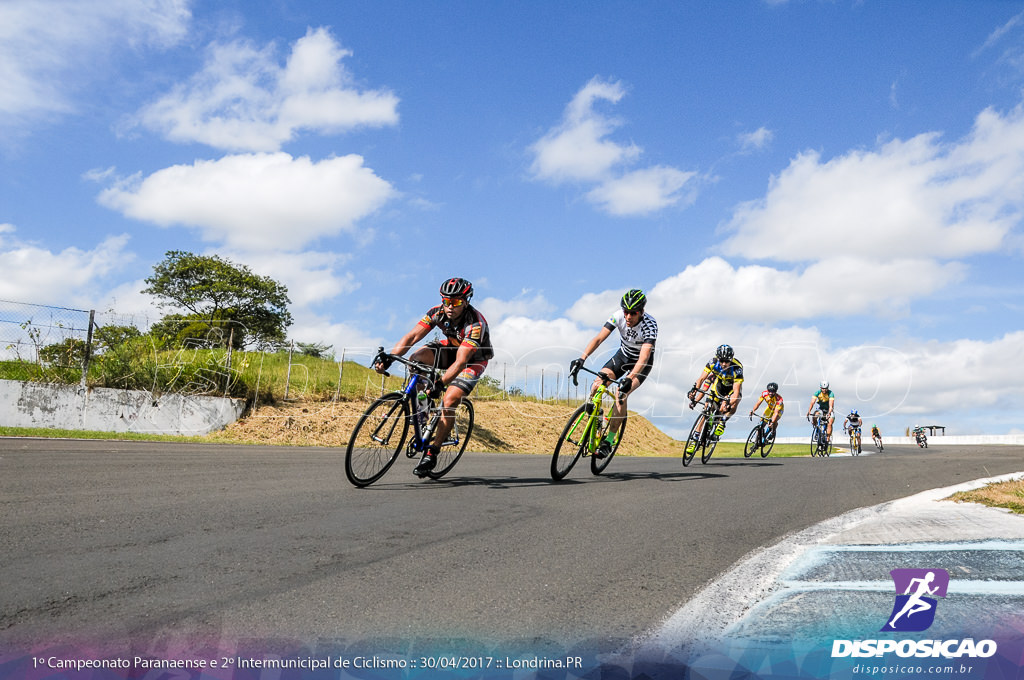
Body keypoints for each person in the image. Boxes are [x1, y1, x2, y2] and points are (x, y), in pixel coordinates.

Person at [374, 277, 493, 477]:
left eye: (455, 302)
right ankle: (423, 410)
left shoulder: (475, 324)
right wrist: (391, 359)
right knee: (416, 358)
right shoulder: (436, 312)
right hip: (451, 349)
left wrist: (440, 383)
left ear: (465, 302)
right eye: (446, 301)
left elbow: (461, 362)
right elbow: (412, 337)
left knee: (449, 399)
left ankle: (433, 451)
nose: (449, 306)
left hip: (472, 360)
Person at [569, 289, 657, 458]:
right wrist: (582, 359)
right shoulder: (618, 316)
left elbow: (644, 356)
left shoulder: (650, 325)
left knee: (621, 393)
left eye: (633, 313)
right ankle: (599, 417)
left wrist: (629, 378)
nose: (629, 317)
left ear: (642, 312)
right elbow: (598, 339)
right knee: (597, 385)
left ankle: (609, 440)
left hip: (641, 363)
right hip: (623, 356)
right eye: (626, 312)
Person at [687, 344, 744, 448]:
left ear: (731, 359)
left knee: (732, 404)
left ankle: (722, 422)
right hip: (720, 386)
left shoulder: (737, 369)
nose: (723, 364)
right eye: (721, 360)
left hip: (732, 389)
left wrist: (728, 403)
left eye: (726, 361)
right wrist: (694, 392)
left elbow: (736, 391)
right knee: (706, 410)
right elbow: (701, 380)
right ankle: (696, 436)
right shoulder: (712, 363)